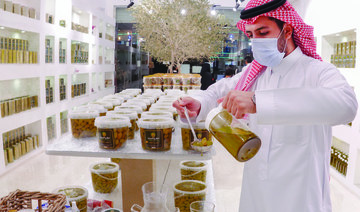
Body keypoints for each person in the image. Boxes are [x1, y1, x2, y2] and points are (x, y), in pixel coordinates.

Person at [173, 0, 358, 211]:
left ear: (287, 30)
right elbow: (221, 89)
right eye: (252, 35)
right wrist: (200, 103)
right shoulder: (258, 71)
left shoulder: (317, 71)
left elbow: (347, 105)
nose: (256, 43)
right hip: (256, 194)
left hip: (299, 198)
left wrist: (258, 102)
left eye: (263, 32)